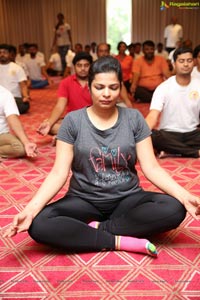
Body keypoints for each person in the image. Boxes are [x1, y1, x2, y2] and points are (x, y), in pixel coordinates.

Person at [4, 56, 200, 257]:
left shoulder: (133, 119)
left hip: (127, 198)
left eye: (113, 88)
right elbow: (58, 173)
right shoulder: (73, 121)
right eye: (99, 87)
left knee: (174, 208)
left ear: (120, 87)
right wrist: (30, 209)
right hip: (84, 199)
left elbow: (152, 168)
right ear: (89, 87)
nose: (106, 94)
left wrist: (184, 196)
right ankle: (119, 240)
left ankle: (97, 230)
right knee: (38, 224)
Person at [145, 47, 200, 158]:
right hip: (168, 134)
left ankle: (171, 150)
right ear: (174, 63)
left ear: (193, 62)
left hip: (192, 134)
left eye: (189, 61)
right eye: (181, 61)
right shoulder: (164, 87)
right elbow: (153, 116)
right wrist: (141, 133)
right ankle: (194, 152)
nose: (186, 64)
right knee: (151, 136)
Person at [37, 52, 93, 137]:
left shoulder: (96, 81)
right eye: (79, 65)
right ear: (74, 66)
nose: (83, 68)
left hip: (92, 119)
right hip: (73, 120)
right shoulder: (66, 82)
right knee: (48, 124)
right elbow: (60, 106)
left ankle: (68, 136)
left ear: (91, 66)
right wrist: (50, 123)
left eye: (86, 65)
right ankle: (79, 135)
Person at [0, 85, 37, 159]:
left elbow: (12, 118)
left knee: (20, 148)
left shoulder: (5, 94)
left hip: (1, 134)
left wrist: (26, 142)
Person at [97, 43, 133, 108]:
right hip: (96, 100)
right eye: (101, 51)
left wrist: (127, 100)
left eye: (106, 51)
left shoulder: (114, 66)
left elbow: (121, 84)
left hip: (113, 99)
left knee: (125, 108)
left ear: (108, 53)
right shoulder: (92, 67)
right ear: (97, 53)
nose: (103, 54)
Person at [0, 44, 30, 114]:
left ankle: (4, 110)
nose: (2, 55)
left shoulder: (17, 68)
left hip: (14, 98)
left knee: (24, 106)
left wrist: (25, 96)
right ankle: (7, 110)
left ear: (10, 54)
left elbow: (23, 85)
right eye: (0, 53)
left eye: (4, 52)